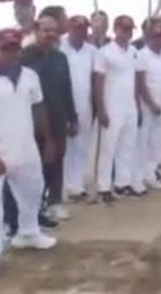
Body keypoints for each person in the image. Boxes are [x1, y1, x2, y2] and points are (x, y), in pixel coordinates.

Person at [0, 29, 57, 286]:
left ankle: (29, 233)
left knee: (34, 190)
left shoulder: (30, 76)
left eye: (15, 48)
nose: (12, 53)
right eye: (6, 48)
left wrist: (48, 140)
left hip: (25, 148)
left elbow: (39, 108)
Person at [14, 15, 76, 224]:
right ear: (36, 30)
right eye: (46, 30)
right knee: (35, 164)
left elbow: (67, 88)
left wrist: (73, 117)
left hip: (58, 117)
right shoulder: (23, 56)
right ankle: (34, 208)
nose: (51, 34)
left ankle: (54, 202)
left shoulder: (60, 58)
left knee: (57, 159)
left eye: (54, 31)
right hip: (32, 119)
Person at [94, 15, 141, 204]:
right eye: (124, 28)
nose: (127, 32)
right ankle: (104, 187)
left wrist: (136, 103)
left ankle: (123, 183)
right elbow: (98, 82)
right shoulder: (104, 52)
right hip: (111, 105)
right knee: (108, 148)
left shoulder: (133, 51)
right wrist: (101, 109)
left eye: (130, 29)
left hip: (130, 105)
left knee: (127, 146)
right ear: (115, 29)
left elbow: (135, 78)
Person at [59, 16, 97, 203]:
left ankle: (78, 185)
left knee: (82, 145)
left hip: (85, 104)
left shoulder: (91, 51)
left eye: (83, 28)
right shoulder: (60, 48)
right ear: (69, 28)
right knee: (65, 146)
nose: (80, 31)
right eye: (77, 28)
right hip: (64, 104)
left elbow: (95, 79)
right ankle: (65, 186)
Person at [136, 21, 161, 190]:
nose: (158, 41)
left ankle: (151, 173)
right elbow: (140, 83)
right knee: (143, 141)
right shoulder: (142, 55)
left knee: (157, 141)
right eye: (155, 38)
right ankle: (142, 176)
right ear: (149, 38)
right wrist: (150, 104)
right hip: (146, 104)